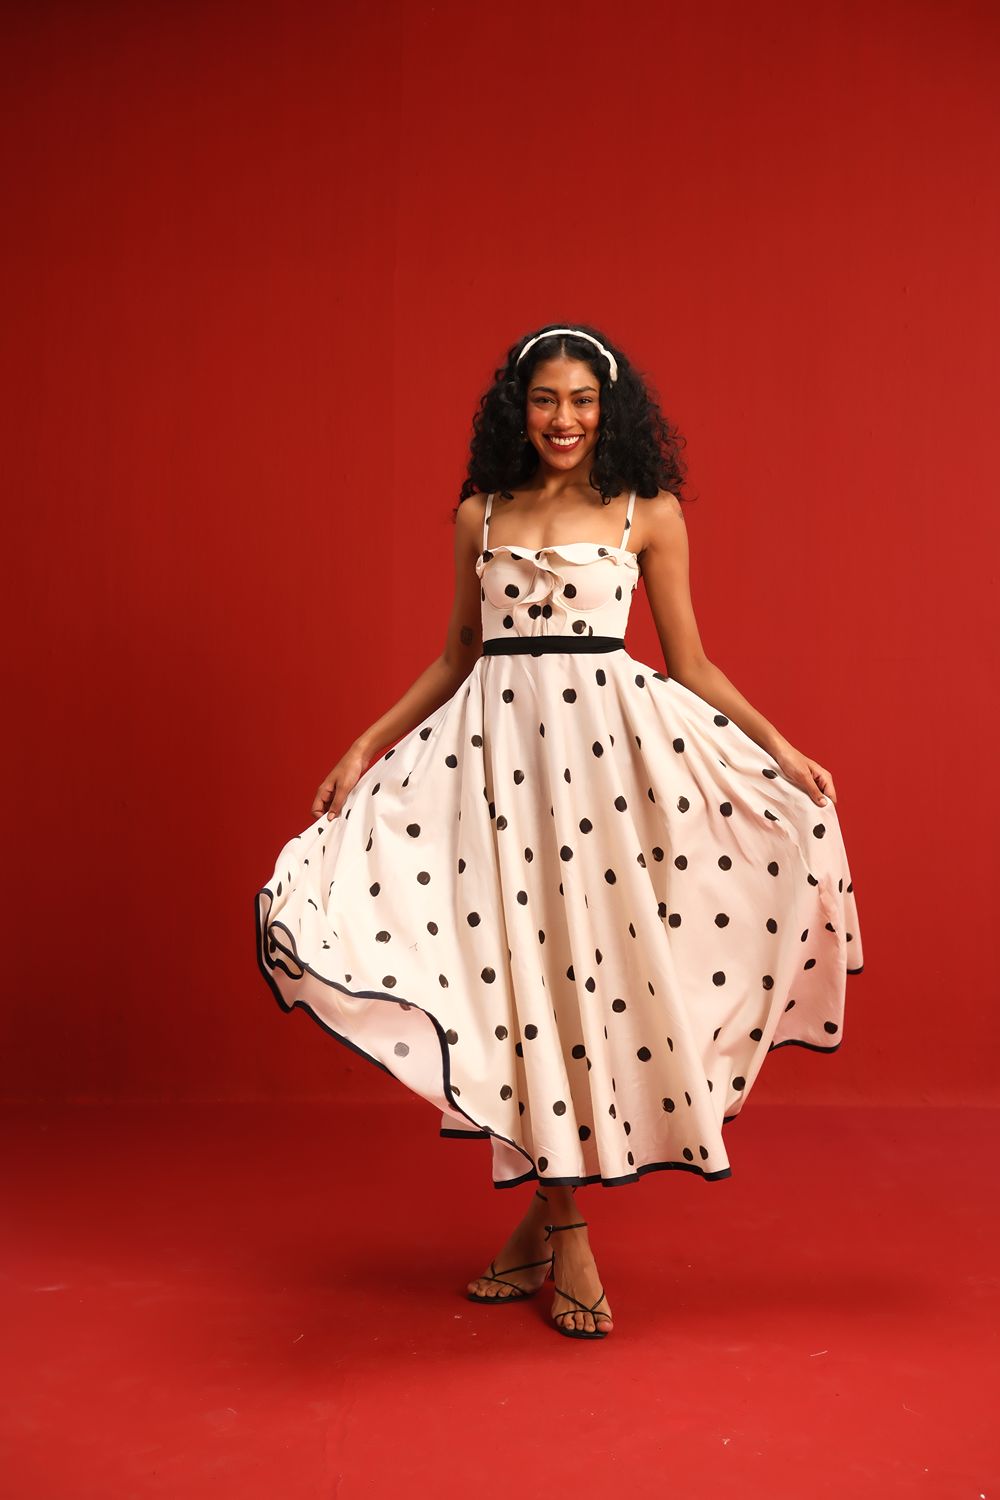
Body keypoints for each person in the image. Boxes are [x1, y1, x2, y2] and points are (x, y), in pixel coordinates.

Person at [255, 323, 864, 1341]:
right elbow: (456, 656)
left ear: (608, 408)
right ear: (519, 408)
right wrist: (363, 746)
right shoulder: (481, 514)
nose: (564, 418)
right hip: (494, 773)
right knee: (519, 984)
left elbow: (690, 663)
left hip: (604, 776)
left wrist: (781, 746)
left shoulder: (646, 512)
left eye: (582, 400)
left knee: (582, 982)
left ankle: (550, 1230)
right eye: (545, 399)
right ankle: (560, 1229)